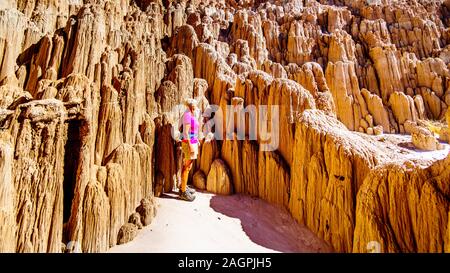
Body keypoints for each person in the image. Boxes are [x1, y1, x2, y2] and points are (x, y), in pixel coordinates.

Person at [179, 98, 200, 201]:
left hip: (192, 141)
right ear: (191, 106)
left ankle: (184, 186)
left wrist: (196, 141)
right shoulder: (187, 115)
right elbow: (186, 133)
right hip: (189, 143)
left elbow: (193, 130)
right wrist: (191, 145)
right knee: (187, 167)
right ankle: (183, 192)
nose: (196, 107)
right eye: (195, 106)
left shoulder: (191, 114)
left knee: (189, 165)